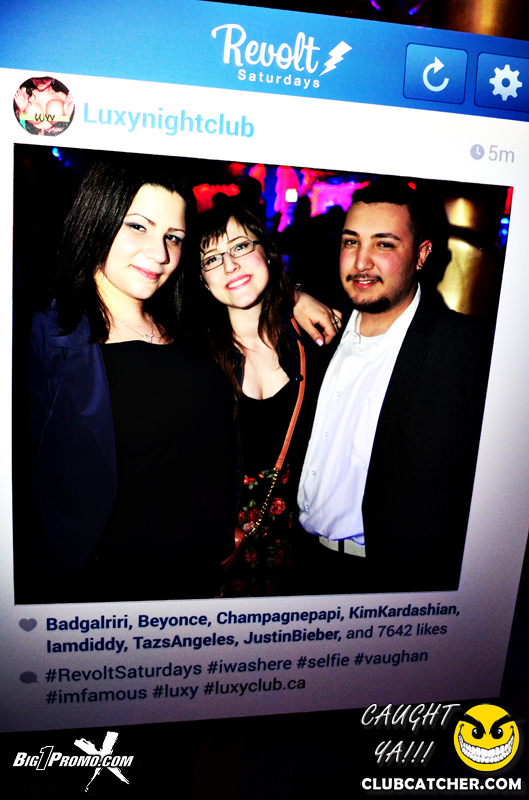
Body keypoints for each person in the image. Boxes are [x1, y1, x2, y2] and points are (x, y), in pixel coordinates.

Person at [22, 154, 340, 603]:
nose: (160, 253)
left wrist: (292, 294)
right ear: (99, 218)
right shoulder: (50, 335)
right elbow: (25, 477)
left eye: (173, 237)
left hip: (204, 582)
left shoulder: (182, 320)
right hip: (111, 592)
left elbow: (237, 283)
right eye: (138, 227)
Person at [297, 178, 493, 594]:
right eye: (351, 242)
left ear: (421, 255)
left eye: (383, 244)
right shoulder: (316, 333)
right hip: (301, 568)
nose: (361, 262)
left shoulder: (467, 350)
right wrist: (291, 295)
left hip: (395, 584)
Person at [193, 201, 329, 596]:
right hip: (219, 550)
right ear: (202, 280)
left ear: (267, 252)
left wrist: (295, 295)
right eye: (212, 258)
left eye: (240, 246)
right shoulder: (193, 357)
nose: (230, 265)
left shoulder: (310, 342)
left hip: (299, 547)